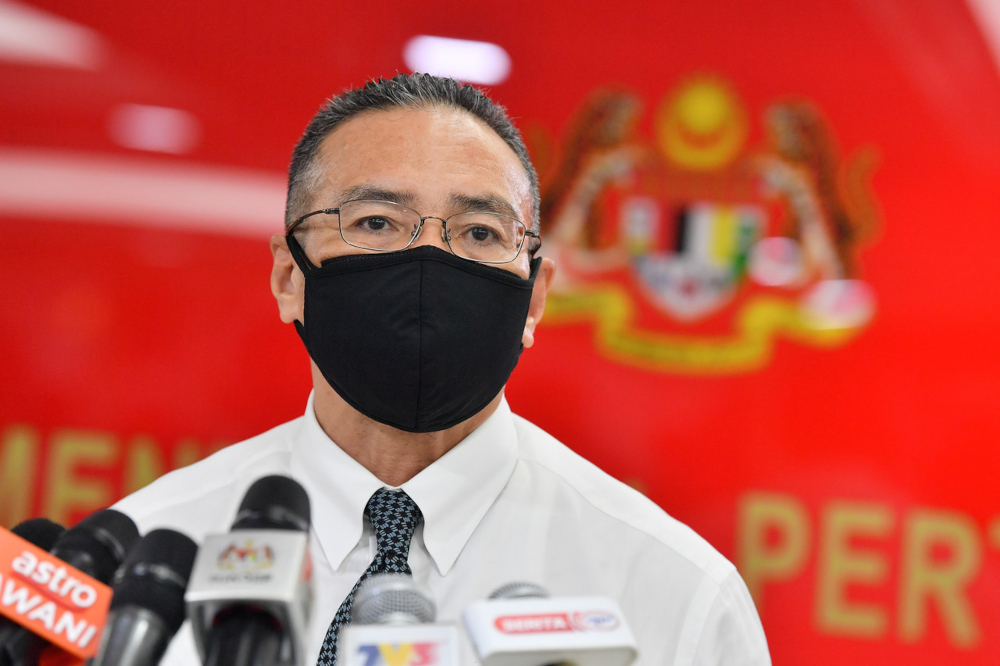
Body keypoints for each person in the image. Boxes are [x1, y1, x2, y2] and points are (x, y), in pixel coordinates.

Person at [115, 73, 771, 665]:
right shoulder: (141, 575)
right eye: (377, 221)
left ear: (534, 300)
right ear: (290, 277)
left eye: (480, 233)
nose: (429, 260)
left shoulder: (675, 600)